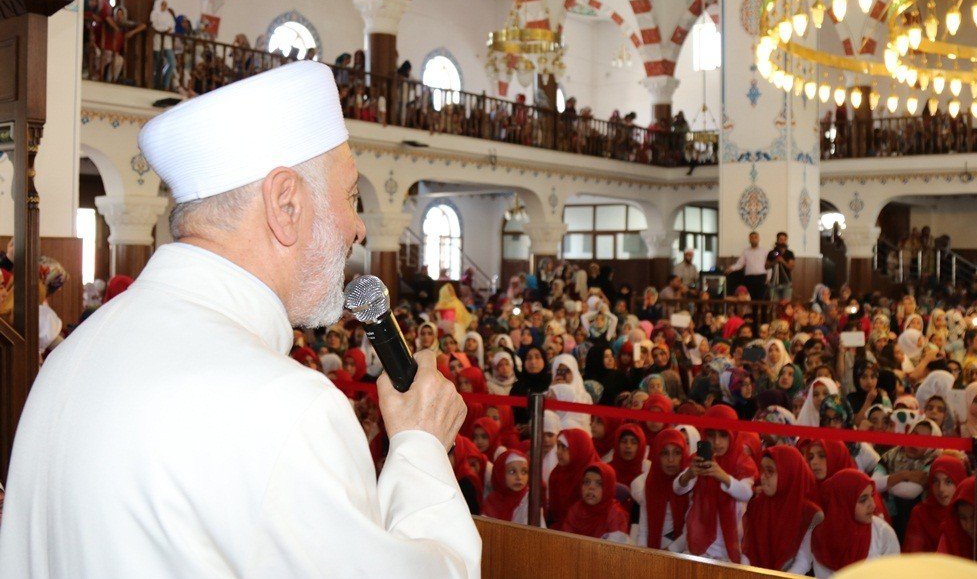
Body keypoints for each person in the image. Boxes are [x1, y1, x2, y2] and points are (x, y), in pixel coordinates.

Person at [0, 63, 481, 577]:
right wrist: (420, 449)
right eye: (350, 197)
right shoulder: (289, 408)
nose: (359, 227)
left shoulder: (68, 359)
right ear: (286, 205)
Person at [674, 405, 758, 562]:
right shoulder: (698, 459)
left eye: (723, 435)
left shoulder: (743, 462)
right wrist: (690, 474)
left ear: (733, 434)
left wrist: (722, 476)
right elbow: (678, 489)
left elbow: (746, 493)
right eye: (711, 435)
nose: (717, 442)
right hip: (696, 543)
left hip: (729, 546)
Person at [741, 445, 822, 573]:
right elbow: (747, 550)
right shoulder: (757, 505)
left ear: (788, 473)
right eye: (762, 470)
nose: (763, 476)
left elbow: (804, 560)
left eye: (770, 471)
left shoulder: (811, 514)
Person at [810, 469, 900, 577]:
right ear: (842, 503)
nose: (873, 505)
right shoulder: (821, 536)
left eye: (872, 495)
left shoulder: (882, 532)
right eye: (863, 500)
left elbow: (894, 574)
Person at [632, 428, 690, 550]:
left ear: (684, 454)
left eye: (677, 453)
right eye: (664, 453)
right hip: (655, 551)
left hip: (685, 551)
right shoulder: (651, 483)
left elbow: (692, 530)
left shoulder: (690, 484)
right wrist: (643, 553)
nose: (671, 459)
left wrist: (669, 551)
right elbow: (644, 529)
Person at [560, 462, 630, 543]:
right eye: (586, 482)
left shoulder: (616, 515)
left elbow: (616, 551)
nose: (591, 488)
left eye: (599, 483)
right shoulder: (576, 509)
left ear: (608, 488)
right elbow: (564, 541)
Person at [727, 231, 769, 300]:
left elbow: (768, 265)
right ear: (749, 239)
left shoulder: (764, 251)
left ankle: (763, 311)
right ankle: (753, 311)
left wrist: (768, 278)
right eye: (752, 237)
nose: (754, 239)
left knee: (762, 298)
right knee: (751, 298)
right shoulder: (745, 251)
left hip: (761, 277)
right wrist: (732, 268)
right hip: (749, 278)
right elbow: (740, 263)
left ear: (759, 239)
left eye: (755, 237)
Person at [766, 232, 796, 301]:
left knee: (786, 307)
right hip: (773, 283)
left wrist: (783, 261)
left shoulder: (789, 253)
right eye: (780, 239)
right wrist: (774, 262)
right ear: (777, 240)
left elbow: (791, 267)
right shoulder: (772, 253)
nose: (782, 241)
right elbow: (766, 266)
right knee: (774, 306)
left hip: (786, 283)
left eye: (784, 240)